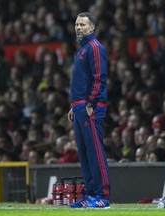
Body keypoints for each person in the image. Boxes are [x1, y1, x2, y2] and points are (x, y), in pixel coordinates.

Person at [67, 12, 110, 209]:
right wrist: (74, 106)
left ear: (92, 28)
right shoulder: (82, 49)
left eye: (83, 24)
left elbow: (99, 77)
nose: (78, 27)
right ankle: (91, 194)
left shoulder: (94, 47)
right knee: (84, 154)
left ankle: (102, 196)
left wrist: (91, 103)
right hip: (80, 107)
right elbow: (81, 81)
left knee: (95, 152)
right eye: (76, 24)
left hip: (90, 107)